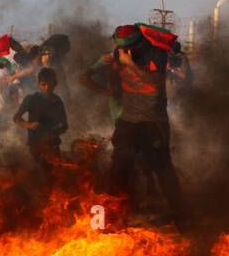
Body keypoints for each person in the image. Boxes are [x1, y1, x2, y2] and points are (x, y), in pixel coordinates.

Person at [79, 25, 186, 227]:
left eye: (128, 48)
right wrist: (108, 78)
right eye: (120, 48)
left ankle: (181, 217)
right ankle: (108, 219)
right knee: (118, 171)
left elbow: (154, 82)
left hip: (153, 121)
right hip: (128, 121)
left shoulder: (156, 53)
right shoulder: (117, 53)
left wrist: (130, 64)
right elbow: (85, 77)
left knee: (163, 170)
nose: (124, 52)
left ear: (138, 43)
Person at [13, 67, 68, 170]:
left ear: (55, 83)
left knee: (58, 174)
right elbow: (16, 118)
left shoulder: (58, 101)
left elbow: (65, 125)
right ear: (39, 84)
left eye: (50, 84)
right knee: (45, 173)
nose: (47, 87)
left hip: (53, 145)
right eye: (43, 84)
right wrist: (28, 125)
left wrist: (54, 133)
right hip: (36, 145)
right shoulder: (31, 99)